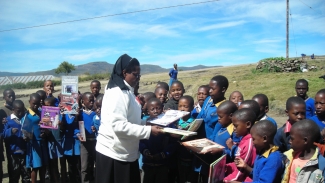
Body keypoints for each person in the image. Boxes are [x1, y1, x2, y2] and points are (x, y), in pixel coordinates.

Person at [95, 54, 163, 183]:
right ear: (124, 72)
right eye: (134, 74)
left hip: (125, 152)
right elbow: (119, 126)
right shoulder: (117, 92)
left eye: (139, 75)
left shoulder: (127, 91)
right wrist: (148, 131)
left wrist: (146, 123)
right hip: (114, 154)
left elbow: (130, 120)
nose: (137, 78)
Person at [193, 75, 228, 182]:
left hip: (210, 146)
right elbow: (200, 118)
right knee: (197, 173)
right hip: (199, 142)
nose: (210, 91)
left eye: (213, 88)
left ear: (223, 90)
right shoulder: (208, 100)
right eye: (209, 88)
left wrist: (208, 146)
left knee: (208, 175)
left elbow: (217, 130)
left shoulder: (223, 108)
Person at [140, 98, 177, 183]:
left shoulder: (169, 124)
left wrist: (163, 154)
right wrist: (144, 151)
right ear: (148, 111)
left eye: (158, 108)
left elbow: (173, 142)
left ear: (162, 108)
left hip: (163, 164)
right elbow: (140, 141)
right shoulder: (145, 123)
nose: (156, 111)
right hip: (147, 163)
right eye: (152, 109)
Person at [223, 108, 257, 182]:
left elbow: (241, 171)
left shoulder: (249, 144)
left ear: (248, 124)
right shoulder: (244, 139)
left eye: (236, 126)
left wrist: (226, 180)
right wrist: (225, 167)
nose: (234, 129)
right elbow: (237, 163)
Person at [3, 100, 30, 183]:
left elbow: (29, 131)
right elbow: (3, 134)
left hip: (24, 151)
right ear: (13, 110)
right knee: (14, 174)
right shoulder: (8, 121)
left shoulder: (25, 119)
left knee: (26, 174)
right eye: (18, 111)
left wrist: (28, 137)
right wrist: (10, 131)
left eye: (22, 110)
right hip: (13, 152)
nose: (20, 113)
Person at [26, 93, 49, 183]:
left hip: (42, 142)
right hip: (34, 144)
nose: (35, 106)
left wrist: (44, 132)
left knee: (43, 165)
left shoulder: (41, 112)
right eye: (33, 103)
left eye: (37, 104)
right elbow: (25, 130)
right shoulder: (27, 115)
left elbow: (46, 126)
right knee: (35, 167)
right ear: (29, 102)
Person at [43, 97, 64, 183]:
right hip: (51, 141)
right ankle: (56, 180)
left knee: (62, 162)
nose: (48, 107)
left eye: (50, 105)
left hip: (59, 139)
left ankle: (64, 179)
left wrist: (61, 123)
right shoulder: (44, 114)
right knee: (53, 163)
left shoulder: (59, 113)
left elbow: (63, 128)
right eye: (46, 106)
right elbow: (44, 129)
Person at [78, 92, 96, 183]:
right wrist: (78, 134)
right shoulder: (80, 114)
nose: (92, 103)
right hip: (84, 143)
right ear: (83, 102)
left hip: (95, 142)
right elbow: (75, 127)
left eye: (93, 100)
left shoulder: (96, 113)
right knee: (84, 166)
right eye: (89, 101)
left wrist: (96, 128)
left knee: (96, 165)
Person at [0, 88, 15, 181]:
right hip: (10, 144)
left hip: (21, 142)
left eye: (13, 95)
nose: (12, 97)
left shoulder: (18, 107)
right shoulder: (2, 111)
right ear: (4, 97)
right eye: (9, 96)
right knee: (12, 166)